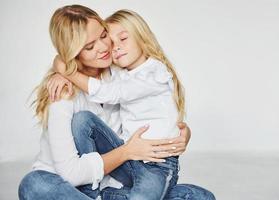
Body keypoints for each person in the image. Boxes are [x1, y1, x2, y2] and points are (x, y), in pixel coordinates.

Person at [18, 4, 215, 200]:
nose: (104, 47)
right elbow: (71, 173)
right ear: (74, 52)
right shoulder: (62, 93)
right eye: (90, 46)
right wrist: (127, 151)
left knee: (200, 196)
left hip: (113, 183)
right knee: (34, 184)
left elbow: (152, 103)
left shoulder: (121, 72)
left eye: (103, 36)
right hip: (66, 187)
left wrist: (180, 133)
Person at [52, 9, 187, 200]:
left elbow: (111, 93)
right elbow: (73, 57)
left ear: (142, 37)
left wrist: (67, 72)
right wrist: (61, 69)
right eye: (112, 42)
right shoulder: (121, 71)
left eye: (123, 39)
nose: (113, 48)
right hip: (129, 159)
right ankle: (92, 195)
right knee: (82, 120)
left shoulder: (154, 73)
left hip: (157, 164)